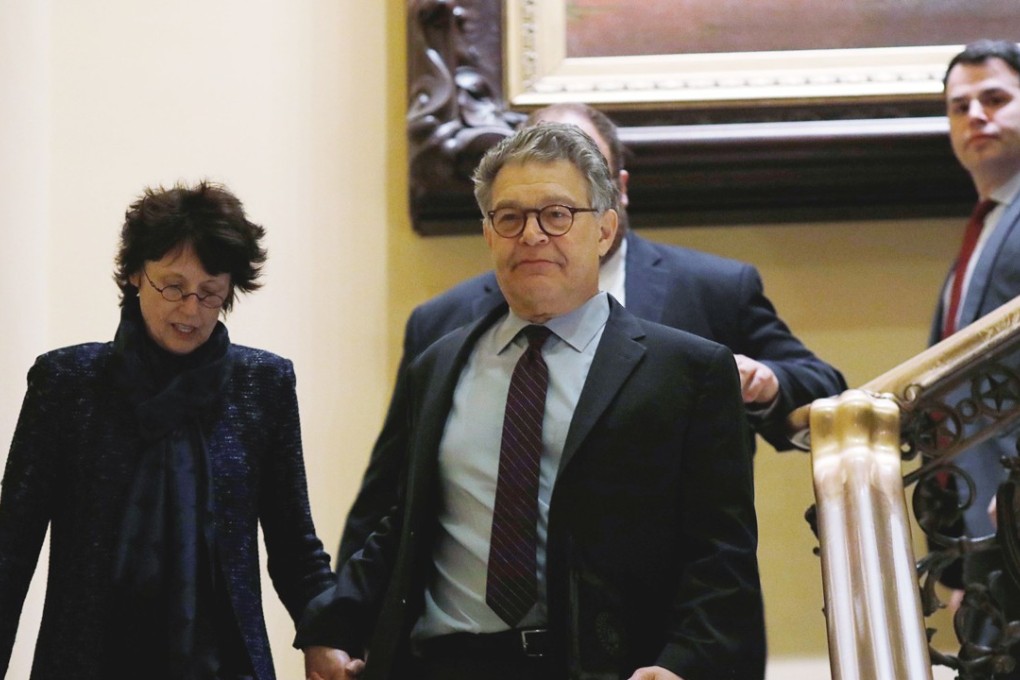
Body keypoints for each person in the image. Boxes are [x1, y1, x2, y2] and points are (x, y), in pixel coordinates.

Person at [298, 122, 764, 680]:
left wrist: (683, 664)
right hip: (436, 664)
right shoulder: (439, 364)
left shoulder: (685, 372)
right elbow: (403, 523)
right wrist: (331, 626)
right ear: (489, 233)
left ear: (606, 229)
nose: (533, 235)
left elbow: (721, 556)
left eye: (558, 214)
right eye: (510, 217)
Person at [336, 102, 846, 567]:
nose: (538, 229)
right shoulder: (442, 323)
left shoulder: (713, 290)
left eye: (562, 204)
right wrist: (343, 627)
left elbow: (827, 390)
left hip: (657, 622)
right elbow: (390, 497)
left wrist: (765, 384)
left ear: (616, 192)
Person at [0, 181, 335, 679]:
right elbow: (13, 545)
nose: (191, 310)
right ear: (136, 273)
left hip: (225, 665)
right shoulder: (67, 384)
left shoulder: (262, 385)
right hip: (90, 662)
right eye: (173, 287)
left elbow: (293, 542)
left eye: (210, 293)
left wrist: (327, 636)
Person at [932, 40, 1020, 639]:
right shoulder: (987, 224)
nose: (975, 117)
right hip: (981, 527)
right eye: (960, 107)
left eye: (994, 99)